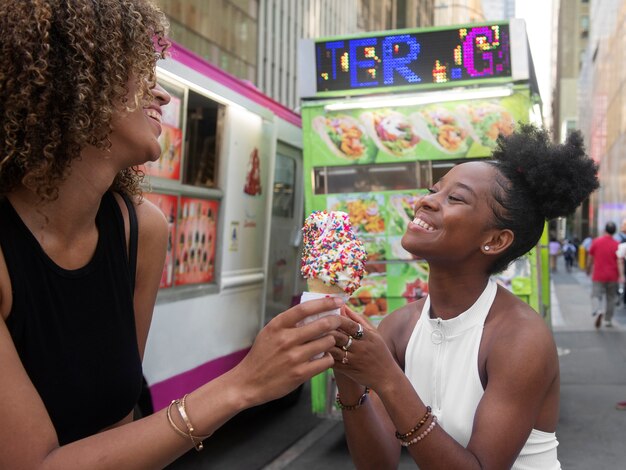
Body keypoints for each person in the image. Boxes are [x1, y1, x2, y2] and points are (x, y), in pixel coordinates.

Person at [0, 1, 354, 468]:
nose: (162, 94)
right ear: (72, 83)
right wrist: (244, 383)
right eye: (136, 70)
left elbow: (119, 420)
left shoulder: (141, 231)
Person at [328, 124, 598, 469]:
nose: (426, 201)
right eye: (433, 190)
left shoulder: (520, 338)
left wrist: (385, 377)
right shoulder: (399, 326)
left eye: (454, 198)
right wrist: (348, 376)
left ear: (496, 241)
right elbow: (378, 464)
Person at [587, 222, 620, 328]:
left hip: (598, 275)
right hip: (613, 275)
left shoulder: (596, 242)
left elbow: (590, 257)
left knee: (596, 295)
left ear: (605, 230)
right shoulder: (617, 244)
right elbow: (620, 261)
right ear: (614, 231)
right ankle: (608, 320)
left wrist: (587, 269)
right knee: (611, 298)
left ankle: (598, 310)